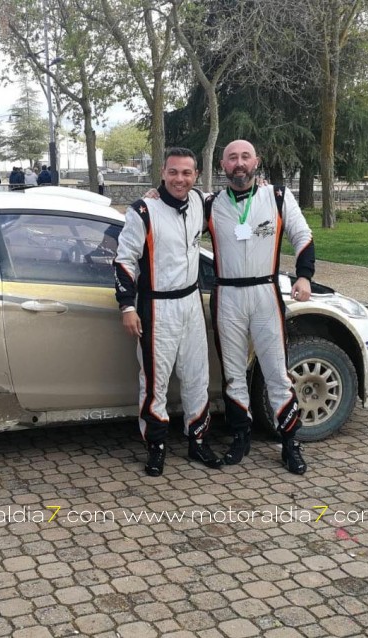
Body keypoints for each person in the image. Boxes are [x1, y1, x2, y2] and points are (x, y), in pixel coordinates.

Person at [209, 140, 315, 475]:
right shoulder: (209, 204)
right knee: (233, 373)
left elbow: (303, 236)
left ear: (257, 161)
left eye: (245, 157)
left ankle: (290, 443)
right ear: (222, 165)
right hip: (227, 296)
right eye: (232, 158)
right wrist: (155, 192)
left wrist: (305, 276)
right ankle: (240, 436)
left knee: (276, 372)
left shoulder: (278, 197)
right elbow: (173, 206)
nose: (239, 163)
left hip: (266, 293)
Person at [115, 148, 221, 477]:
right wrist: (128, 306)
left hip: (190, 303)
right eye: (174, 172)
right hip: (156, 307)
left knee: (196, 377)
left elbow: (237, 196)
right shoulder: (143, 210)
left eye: (187, 173)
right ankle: (156, 446)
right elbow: (124, 260)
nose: (180, 179)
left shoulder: (201, 204)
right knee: (155, 382)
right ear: (163, 172)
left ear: (196, 176)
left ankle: (198, 439)